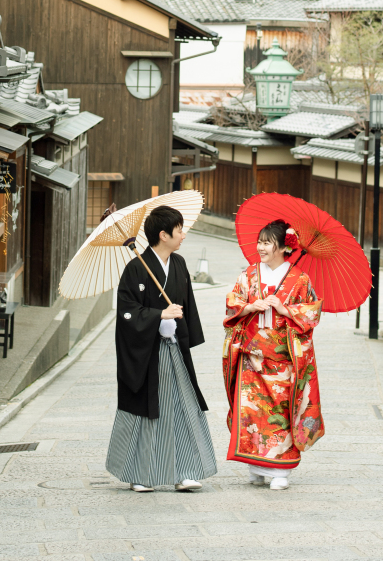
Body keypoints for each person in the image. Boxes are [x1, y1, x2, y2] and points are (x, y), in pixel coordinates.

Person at [106, 204, 217, 492]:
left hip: (174, 350)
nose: (183, 235)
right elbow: (126, 312)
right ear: (163, 234)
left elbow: (187, 304)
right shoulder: (135, 269)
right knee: (148, 410)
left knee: (182, 407)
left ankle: (185, 471)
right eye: (179, 230)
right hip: (147, 354)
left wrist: (182, 331)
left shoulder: (178, 265)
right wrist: (158, 316)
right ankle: (140, 474)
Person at [223, 218, 324, 490]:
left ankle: (281, 470)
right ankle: (256, 465)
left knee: (279, 410)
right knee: (252, 413)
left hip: (282, 359)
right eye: (260, 241)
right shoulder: (249, 274)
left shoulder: (299, 279)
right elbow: (232, 302)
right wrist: (251, 306)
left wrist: (284, 309)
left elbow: (311, 314)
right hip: (252, 356)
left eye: (267, 242)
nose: (261, 247)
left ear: (283, 247)